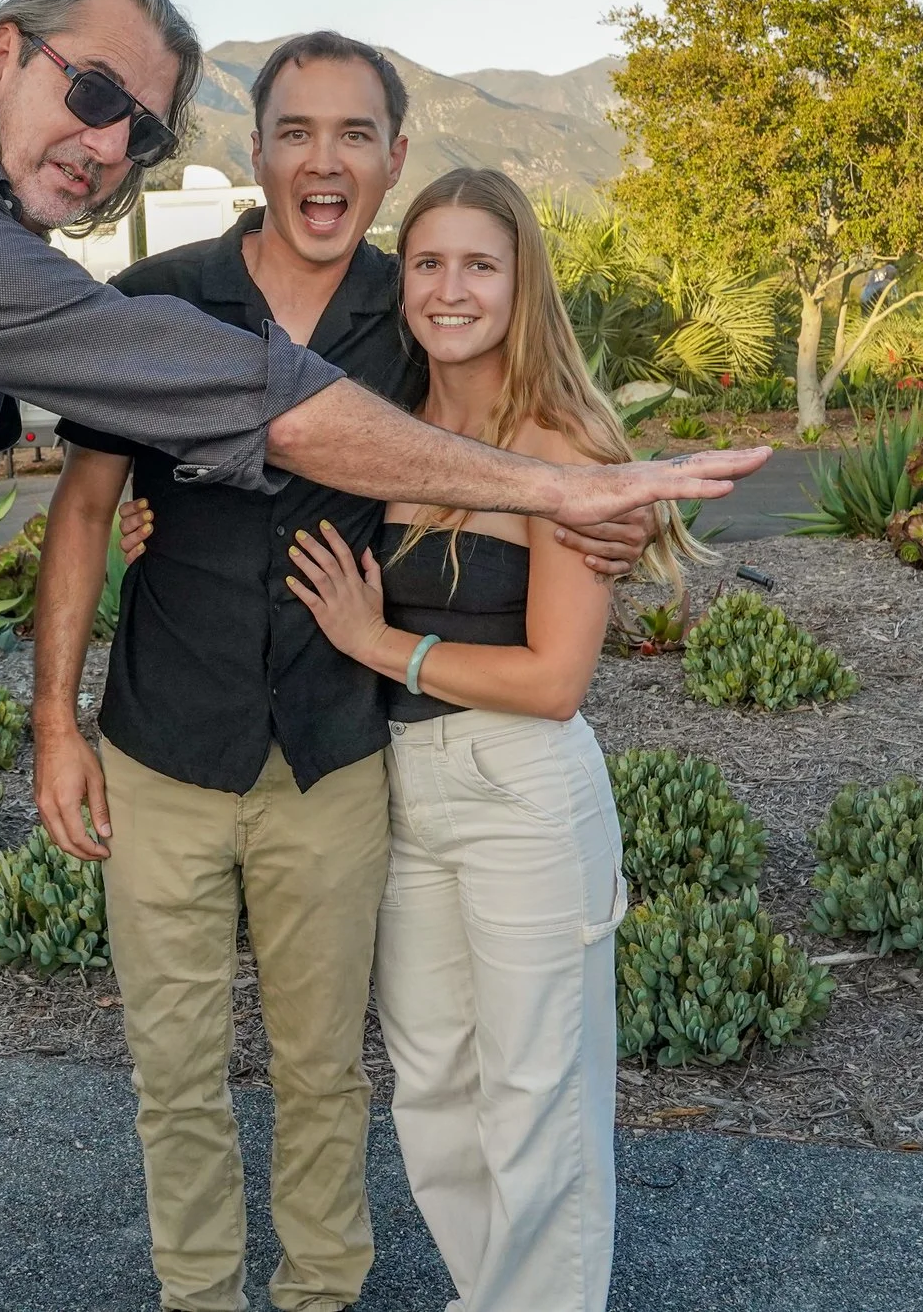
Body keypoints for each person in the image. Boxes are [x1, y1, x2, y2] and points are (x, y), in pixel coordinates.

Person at [0, 0, 766, 1312]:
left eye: (138, 129)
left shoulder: (361, 290)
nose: (106, 144)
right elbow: (228, 409)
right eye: (91, 93)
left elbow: (492, 413)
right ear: (5, 54)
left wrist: (574, 506)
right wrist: (556, 492)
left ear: (392, 157)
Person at [33, 32, 458, 1312]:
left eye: (353, 135)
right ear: (256, 150)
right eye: (296, 131)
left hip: (331, 755)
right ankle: (198, 1296)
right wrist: (55, 722)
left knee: (325, 1069)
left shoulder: (418, 320)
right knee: (172, 1068)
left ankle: (322, 1293)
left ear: (391, 158)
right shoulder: (156, 300)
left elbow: (498, 454)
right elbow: (85, 505)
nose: (323, 161)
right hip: (161, 746)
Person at [283, 169, 701, 1312]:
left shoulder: (559, 440)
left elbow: (555, 680)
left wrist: (382, 646)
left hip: (519, 789)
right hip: (401, 789)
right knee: (432, 1086)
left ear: (522, 283)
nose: (449, 287)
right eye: (426, 262)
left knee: (535, 1097)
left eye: (479, 263)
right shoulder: (387, 423)